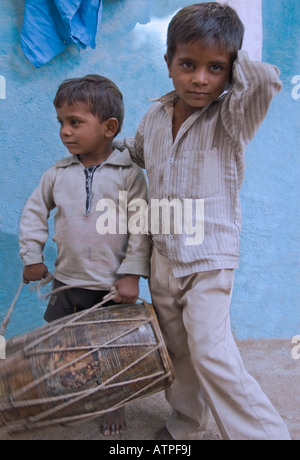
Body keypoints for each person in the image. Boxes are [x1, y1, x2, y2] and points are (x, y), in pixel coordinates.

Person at [114, 3, 291, 440]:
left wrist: (235, 56)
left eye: (215, 68)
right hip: (164, 258)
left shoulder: (232, 117)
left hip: (209, 258)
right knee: (178, 351)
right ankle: (186, 426)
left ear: (230, 71)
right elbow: (136, 152)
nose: (200, 78)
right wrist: (97, 145)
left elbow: (267, 80)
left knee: (212, 352)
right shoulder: (154, 116)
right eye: (188, 64)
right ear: (168, 63)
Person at [19, 74, 150, 436]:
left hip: (110, 286)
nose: (65, 131)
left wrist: (132, 274)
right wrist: (32, 256)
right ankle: (69, 394)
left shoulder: (128, 175)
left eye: (75, 122)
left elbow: (141, 226)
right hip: (66, 280)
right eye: (61, 122)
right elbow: (33, 212)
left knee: (112, 350)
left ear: (109, 128)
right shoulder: (56, 174)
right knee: (61, 344)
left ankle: (113, 403)